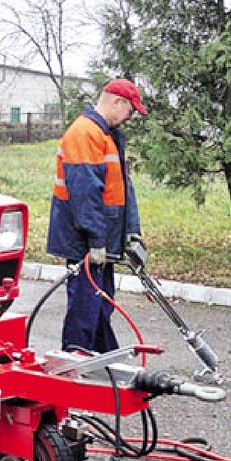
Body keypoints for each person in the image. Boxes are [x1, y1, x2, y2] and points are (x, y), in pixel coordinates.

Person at [45, 78, 147, 354]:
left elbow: (122, 189)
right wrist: (95, 240)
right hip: (85, 240)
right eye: (130, 110)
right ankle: (75, 360)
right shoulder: (85, 134)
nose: (131, 117)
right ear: (117, 102)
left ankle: (102, 358)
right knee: (85, 304)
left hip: (103, 238)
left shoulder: (107, 136)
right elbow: (85, 192)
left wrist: (130, 230)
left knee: (101, 302)